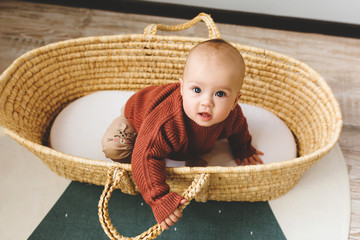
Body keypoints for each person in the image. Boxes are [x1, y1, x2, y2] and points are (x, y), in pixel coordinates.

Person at [102, 38, 263, 230]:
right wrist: (159, 199)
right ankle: (144, 147)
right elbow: (145, 155)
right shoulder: (167, 121)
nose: (206, 102)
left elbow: (239, 131)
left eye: (219, 94)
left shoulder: (232, 116)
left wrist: (243, 149)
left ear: (235, 100)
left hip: (179, 139)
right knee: (116, 148)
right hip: (137, 117)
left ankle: (167, 149)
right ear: (182, 88)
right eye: (196, 90)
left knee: (195, 160)